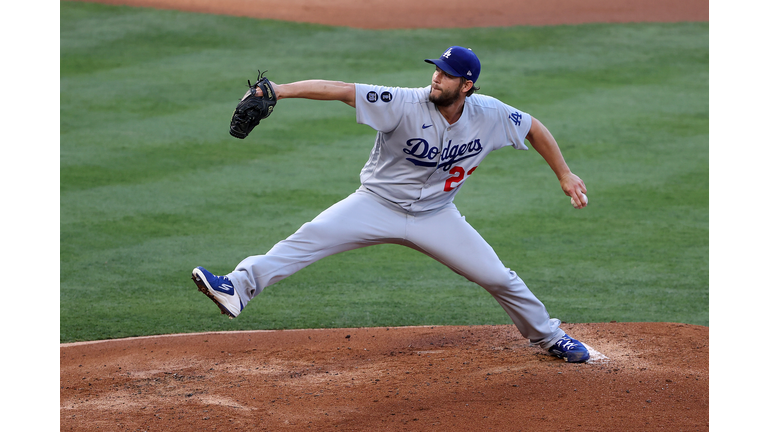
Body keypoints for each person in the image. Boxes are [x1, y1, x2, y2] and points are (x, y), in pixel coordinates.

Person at [192, 46, 591, 362]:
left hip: (437, 217)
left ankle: (549, 336)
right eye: (436, 69)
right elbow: (341, 90)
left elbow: (534, 127)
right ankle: (237, 287)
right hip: (375, 205)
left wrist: (564, 173)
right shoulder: (403, 102)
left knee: (499, 278)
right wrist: (279, 90)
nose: (436, 77)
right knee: (307, 239)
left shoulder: (491, 114)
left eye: (447, 74)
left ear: (466, 85)